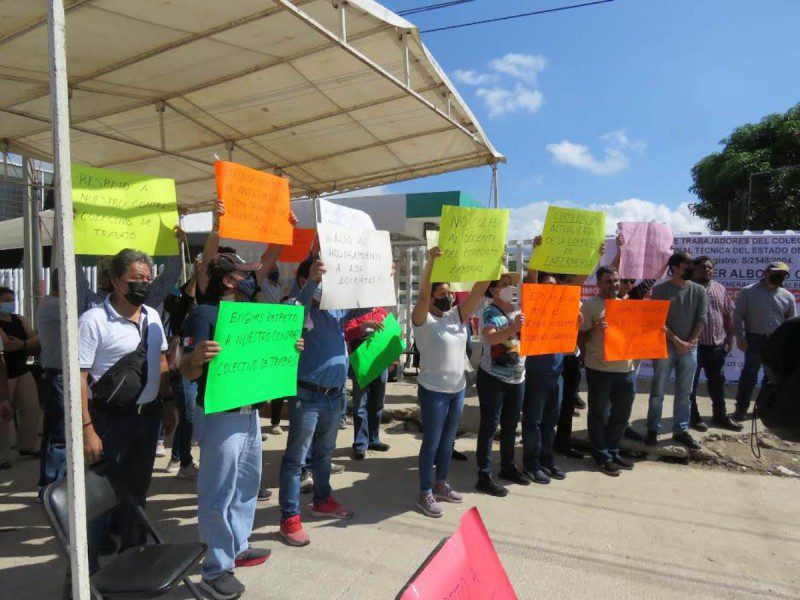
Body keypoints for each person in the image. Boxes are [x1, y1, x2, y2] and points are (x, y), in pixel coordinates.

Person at [181, 252, 293, 599]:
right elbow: (184, 367)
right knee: (218, 493)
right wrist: (197, 358)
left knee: (246, 485)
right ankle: (214, 570)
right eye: (243, 274)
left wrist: (291, 347)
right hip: (220, 415)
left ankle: (238, 546)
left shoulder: (249, 314)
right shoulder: (202, 313)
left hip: (248, 414)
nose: (250, 278)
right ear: (228, 280)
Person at [78, 248, 175, 573]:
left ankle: (133, 563)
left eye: (147, 279)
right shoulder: (93, 320)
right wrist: (87, 429)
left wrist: (168, 403)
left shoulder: (153, 316)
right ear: (117, 282)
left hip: (146, 421)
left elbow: (161, 361)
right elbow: (79, 377)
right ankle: (85, 575)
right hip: (108, 423)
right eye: (136, 279)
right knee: (99, 500)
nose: (143, 285)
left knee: (136, 495)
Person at [278, 255, 379, 545]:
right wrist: (313, 281)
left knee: (324, 454)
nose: (328, 286)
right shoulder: (294, 307)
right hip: (306, 397)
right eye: (322, 279)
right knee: (296, 460)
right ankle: (289, 517)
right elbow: (297, 311)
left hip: (334, 397)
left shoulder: (335, 312)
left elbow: (364, 305)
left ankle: (322, 500)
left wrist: (380, 277)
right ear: (303, 280)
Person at [412, 246, 489, 517]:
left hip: (457, 390)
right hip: (433, 391)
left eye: (449, 292)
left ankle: (441, 483)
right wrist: (430, 262)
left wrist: (493, 262)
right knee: (431, 442)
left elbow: (480, 289)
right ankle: (425, 493)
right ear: (432, 296)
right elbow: (422, 295)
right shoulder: (423, 318)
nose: (448, 296)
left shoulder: (457, 315)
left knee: (447, 442)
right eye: (442, 293)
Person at [646, 252, 708, 449]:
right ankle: (652, 429)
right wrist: (676, 340)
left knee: (685, 392)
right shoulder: (661, 290)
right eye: (687, 264)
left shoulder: (698, 290)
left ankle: (681, 430)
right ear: (675, 268)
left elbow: (701, 317)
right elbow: (658, 321)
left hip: (689, 349)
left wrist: (690, 342)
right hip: (665, 347)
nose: (691, 267)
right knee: (658, 391)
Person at [579, 266, 637, 476]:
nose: (613, 285)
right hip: (600, 369)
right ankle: (600, 455)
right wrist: (594, 330)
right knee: (599, 414)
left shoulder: (626, 305)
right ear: (598, 284)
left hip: (626, 369)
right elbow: (580, 337)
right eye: (608, 282)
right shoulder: (590, 306)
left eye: (616, 281)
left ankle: (613, 450)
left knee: (621, 414)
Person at [475, 271, 528, 496]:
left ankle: (508, 467)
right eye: (503, 284)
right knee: (489, 426)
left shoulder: (519, 310)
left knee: (510, 425)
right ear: (493, 290)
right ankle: (484, 476)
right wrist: (513, 328)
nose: (509, 287)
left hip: (518, 377)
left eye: (510, 283)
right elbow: (490, 337)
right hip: (493, 378)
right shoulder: (490, 311)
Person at [732, 261, 796, 421]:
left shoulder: (787, 296)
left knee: (772, 378)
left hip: (777, 342)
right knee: (749, 375)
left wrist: (789, 344)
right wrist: (739, 337)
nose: (779, 277)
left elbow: (792, 323)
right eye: (776, 273)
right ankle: (740, 409)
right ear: (766, 273)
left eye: (783, 275)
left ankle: (763, 409)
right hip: (754, 339)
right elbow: (738, 316)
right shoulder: (748, 291)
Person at [689, 257, 742, 432]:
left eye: (710, 268)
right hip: (693, 345)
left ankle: (720, 416)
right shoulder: (687, 288)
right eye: (703, 268)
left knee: (717, 382)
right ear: (694, 269)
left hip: (716, 344)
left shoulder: (720, 288)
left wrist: (730, 337)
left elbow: (727, 314)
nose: (707, 270)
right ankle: (693, 417)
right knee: (691, 384)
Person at [0, 287, 42, 469]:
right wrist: (24, 343)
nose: (10, 303)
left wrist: (22, 343)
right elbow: (7, 345)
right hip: (5, 374)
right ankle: (2, 456)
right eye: (6, 300)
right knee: (3, 416)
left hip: (22, 371)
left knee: (31, 408)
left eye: (12, 299)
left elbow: (36, 339)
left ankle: (27, 445)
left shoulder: (19, 320)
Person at [35, 272, 68, 494]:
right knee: (59, 436)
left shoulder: (49, 305)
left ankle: (49, 484)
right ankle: (51, 487)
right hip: (57, 376)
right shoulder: (56, 306)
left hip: (55, 375)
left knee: (54, 432)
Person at [344, 306, 391, 460]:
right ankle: (360, 444)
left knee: (377, 404)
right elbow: (347, 334)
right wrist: (363, 327)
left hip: (380, 364)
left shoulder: (382, 312)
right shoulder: (353, 313)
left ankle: (373, 439)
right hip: (362, 364)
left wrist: (393, 358)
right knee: (360, 406)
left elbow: (393, 335)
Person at [755, 316, 800, 441]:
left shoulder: (791, 325)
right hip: (784, 418)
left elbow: (766, 357)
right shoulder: (793, 326)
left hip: (780, 418)